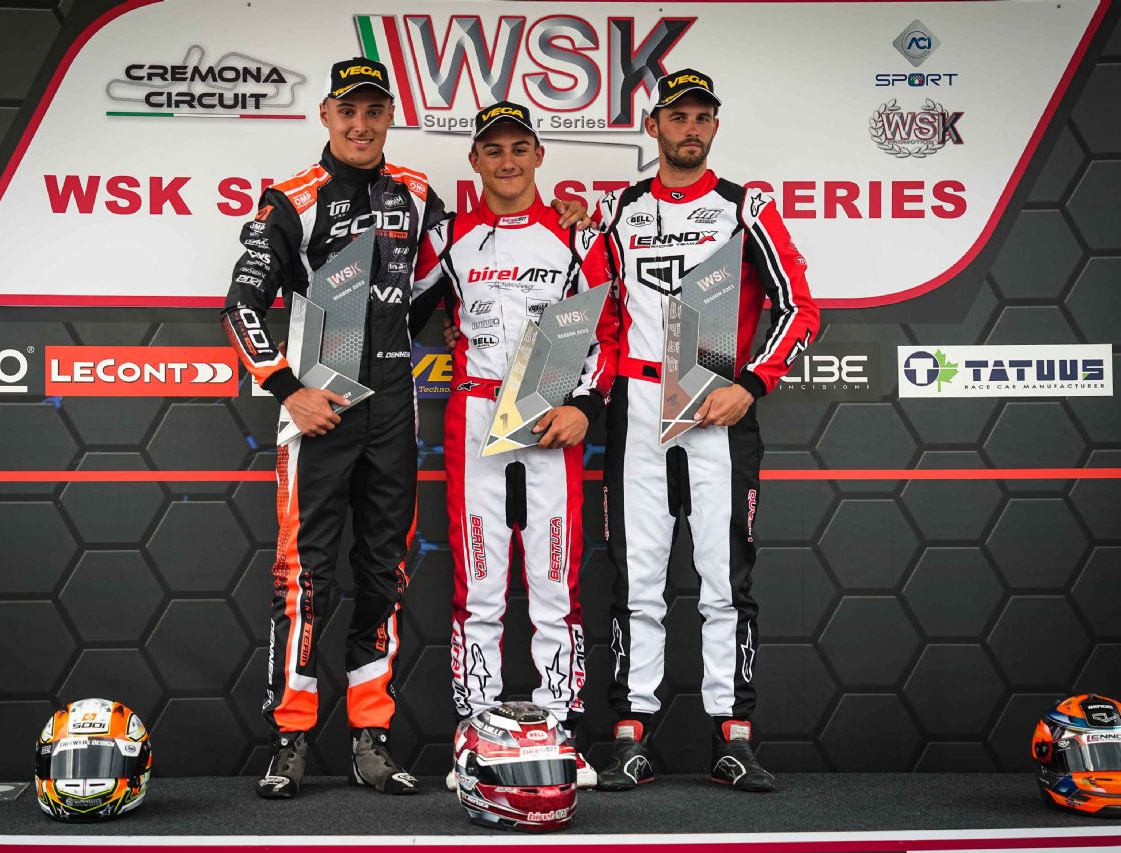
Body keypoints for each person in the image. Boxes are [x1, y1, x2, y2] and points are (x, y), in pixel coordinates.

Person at [222, 58, 592, 799]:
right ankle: (291, 737)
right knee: (304, 580)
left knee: (383, 574)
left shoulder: (417, 194)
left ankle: (371, 735)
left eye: (373, 111)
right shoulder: (291, 199)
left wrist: (570, 215)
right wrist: (289, 389)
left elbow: (451, 278)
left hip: (392, 408)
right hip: (321, 408)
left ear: (389, 116)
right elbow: (240, 305)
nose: (360, 125)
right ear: (326, 116)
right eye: (347, 111)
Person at [583, 69, 820, 792]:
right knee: (637, 584)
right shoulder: (616, 211)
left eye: (702, 117)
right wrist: (584, 395)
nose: (690, 128)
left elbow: (798, 308)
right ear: (652, 125)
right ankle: (630, 735)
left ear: (714, 126)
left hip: (718, 403)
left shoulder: (745, 207)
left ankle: (733, 737)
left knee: (724, 583)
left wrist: (751, 383)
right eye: (677, 116)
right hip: (637, 405)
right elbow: (594, 316)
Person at [410, 101, 618, 790]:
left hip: (549, 412)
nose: (507, 161)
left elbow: (608, 330)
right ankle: (476, 735)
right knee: (481, 588)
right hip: (474, 414)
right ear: (474, 159)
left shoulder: (575, 233)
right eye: (493, 150)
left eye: (519, 148)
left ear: (538, 155)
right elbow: (402, 305)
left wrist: (585, 404)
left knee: (555, 585)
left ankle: (561, 732)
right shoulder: (447, 237)